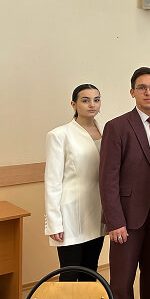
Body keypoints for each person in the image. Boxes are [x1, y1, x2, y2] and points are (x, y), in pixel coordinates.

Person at [99, 67, 150, 299]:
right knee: (121, 282)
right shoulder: (117, 126)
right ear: (132, 92)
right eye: (142, 88)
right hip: (127, 218)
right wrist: (114, 221)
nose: (148, 92)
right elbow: (107, 178)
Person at [44, 84, 106, 282]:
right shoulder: (59, 135)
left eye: (96, 100)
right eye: (85, 100)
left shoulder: (107, 132)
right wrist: (54, 223)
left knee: (91, 269)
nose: (92, 104)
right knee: (70, 273)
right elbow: (52, 181)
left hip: (98, 211)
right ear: (73, 104)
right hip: (71, 214)